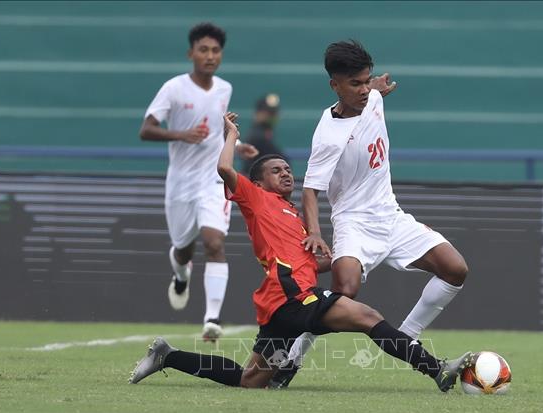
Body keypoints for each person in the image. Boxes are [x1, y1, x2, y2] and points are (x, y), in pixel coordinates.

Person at [128, 113, 474, 391]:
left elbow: (312, 263)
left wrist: (355, 255)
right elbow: (223, 169)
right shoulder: (255, 198)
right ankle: (437, 370)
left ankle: (167, 356)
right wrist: (231, 134)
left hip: (282, 307)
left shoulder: (294, 218)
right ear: (258, 182)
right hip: (292, 299)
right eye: (276, 170)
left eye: (287, 169)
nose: (286, 173)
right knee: (368, 317)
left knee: (251, 379)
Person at [272, 40, 470, 387]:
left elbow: (372, 91)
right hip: (354, 222)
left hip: (391, 216)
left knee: (455, 269)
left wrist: (375, 87)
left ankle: (406, 338)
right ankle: (291, 361)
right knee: (343, 291)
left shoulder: (372, 97)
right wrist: (315, 233)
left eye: (367, 80)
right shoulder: (329, 136)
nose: (364, 89)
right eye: (355, 84)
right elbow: (309, 190)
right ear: (335, 85)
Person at [139, 22, 258, 341]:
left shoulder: (224, 88)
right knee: (183, 249)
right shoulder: (174, 88)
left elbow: (218, 130)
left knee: (215, 243)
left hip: (212, 181)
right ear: (191, 53)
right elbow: (146, 129)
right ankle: (181, 276)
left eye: (215, 50)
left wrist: (235, 145)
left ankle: (212, 319)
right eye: (203, 50)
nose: (209, 56)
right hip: (180, 185)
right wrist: (181, 135)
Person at [242, 93, 286, 174]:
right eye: (269, 113)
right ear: (258, 113)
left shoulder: (266, 132)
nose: (273, 116)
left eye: (274, 113)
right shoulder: (257, 136)